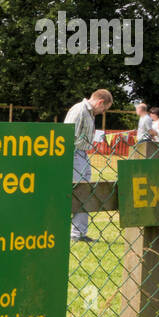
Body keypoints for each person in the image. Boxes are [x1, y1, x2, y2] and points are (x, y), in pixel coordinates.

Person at [65, 88, 113, 243]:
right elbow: (67, 135)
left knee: (85, 192)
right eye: (104, 108)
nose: (103, 112)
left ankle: (79, 233)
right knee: (79, 191)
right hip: (73, 153)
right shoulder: (79, 111)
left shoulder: (89, 113)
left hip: (83, 154)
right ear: (100, 102)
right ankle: (75, 234)